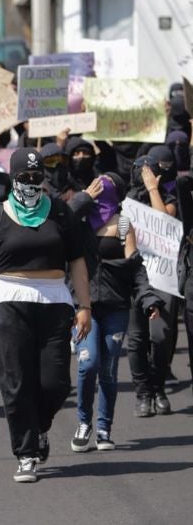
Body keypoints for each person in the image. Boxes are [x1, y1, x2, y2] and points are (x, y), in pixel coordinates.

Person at [0, 148, 91, 483]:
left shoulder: (59, 212)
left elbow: (77, 262)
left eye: (36, 176)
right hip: (7, 301)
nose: (31, 183)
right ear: (12, 178)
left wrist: (84, 306)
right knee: (16, 383)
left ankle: (39, 426)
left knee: (55, 382)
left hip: (54, 300)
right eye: (24, 177)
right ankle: (26, 454)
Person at [71, 173, 161, 452]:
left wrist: (148, 299)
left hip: (117, 306)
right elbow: (60, 221)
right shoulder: (81, 221)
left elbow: (135, 267)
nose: (100, 190)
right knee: (88, 364)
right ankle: (84, 423)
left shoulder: (123, 224)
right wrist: (83, 198)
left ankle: (103, 429)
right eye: (95, 185)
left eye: (105, 187)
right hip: (86, 306)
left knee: (109, 370)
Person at [125, 150, 178, 416]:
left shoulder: (168, 198)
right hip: (136, 273)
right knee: (136, 338)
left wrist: (153, 190)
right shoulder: (127, 202)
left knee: (160, 336)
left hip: (163, 274)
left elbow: (164, 222)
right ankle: (143, 393)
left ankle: (158, 388)